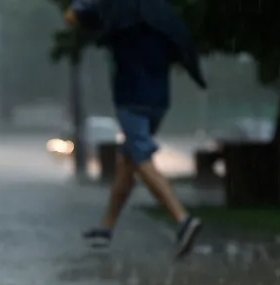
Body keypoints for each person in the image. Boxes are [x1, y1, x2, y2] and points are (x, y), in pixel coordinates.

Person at [66, 0, 203, 257]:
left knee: (140, 158)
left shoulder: (118, 9)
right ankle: (106, 228)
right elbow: (179, 54)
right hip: (159, 101)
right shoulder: (162, 15)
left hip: (130, 99)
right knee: (127, 161)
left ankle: (182, 220)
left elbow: (75, 15)